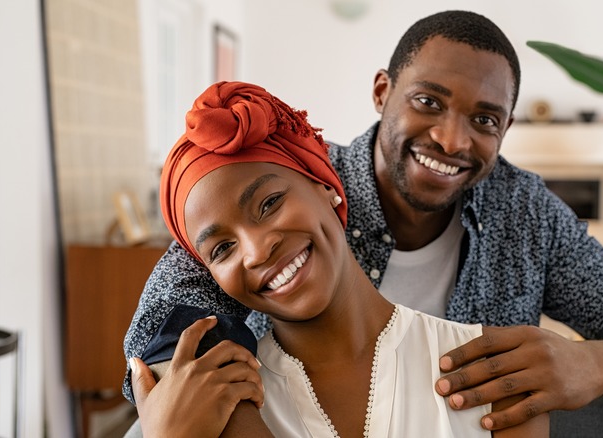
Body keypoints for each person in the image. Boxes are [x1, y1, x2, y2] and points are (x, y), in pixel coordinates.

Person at [124, 10, 603, 431]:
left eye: (485, 119)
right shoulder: (288, 192)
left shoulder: (525, 213)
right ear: (383, 92)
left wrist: (597, 361)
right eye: (428, 102)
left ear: (505, 131)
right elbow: (160, 338)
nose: (453, 139)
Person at [129, 80, 549, 437]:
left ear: (326, 187)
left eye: (270, 203)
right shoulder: (213, 402)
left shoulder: (493, 375)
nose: (257, 251)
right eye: (222, 249)